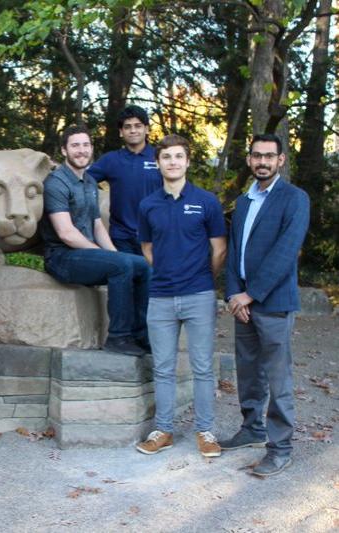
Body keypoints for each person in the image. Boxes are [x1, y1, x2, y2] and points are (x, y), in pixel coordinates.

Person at [219, 133, 310, 477]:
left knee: (277, 376)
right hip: (243, 303)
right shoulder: (244, 202)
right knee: (248, 371)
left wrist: (251, 294)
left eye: (269, 156)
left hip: (273, 303)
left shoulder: (294, 199)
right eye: (257, 156)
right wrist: (233, 294)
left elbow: (286, 252)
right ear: (249, 159)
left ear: (281, 160)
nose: (262, 162)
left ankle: (280, 447)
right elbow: (233, 253)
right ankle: (251, 428)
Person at [135, 134, 226, 458]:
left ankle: (206, 431)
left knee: (202, 367)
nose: (172, 162)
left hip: (199, 295)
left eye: (178, 156)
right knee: (163, 368)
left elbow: (219, 248)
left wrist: (202, 277)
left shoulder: (206, 202)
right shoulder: (148, 205)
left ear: (187, 161)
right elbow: (147, 247)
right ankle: (164, 431)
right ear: (158, 163)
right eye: (166, 157)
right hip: (160, 297)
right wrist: (166, 271)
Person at [40, 125, 150, 357]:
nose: (81, 150)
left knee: (143, 266)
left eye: (86, 145)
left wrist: (113, 253)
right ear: (64, 150)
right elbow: (66, 233)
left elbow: (97, 225)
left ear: (92, 148)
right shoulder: (56, 182)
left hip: (85, 255)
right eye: (75, 145)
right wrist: (109, 257)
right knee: (121, 266)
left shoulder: (90, 181)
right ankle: (118, 337)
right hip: (61, 257)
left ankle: (142, 335)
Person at [87, 105, 162, 255]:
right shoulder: (111, 160)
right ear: (121, 132)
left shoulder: (161, 157)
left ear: (147, 129)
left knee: (152, 278)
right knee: (126, 276)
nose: (133, 130)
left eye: (138, 126)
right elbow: (81, 180)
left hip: (155, 236)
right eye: (127, 127)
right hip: (121, 237)